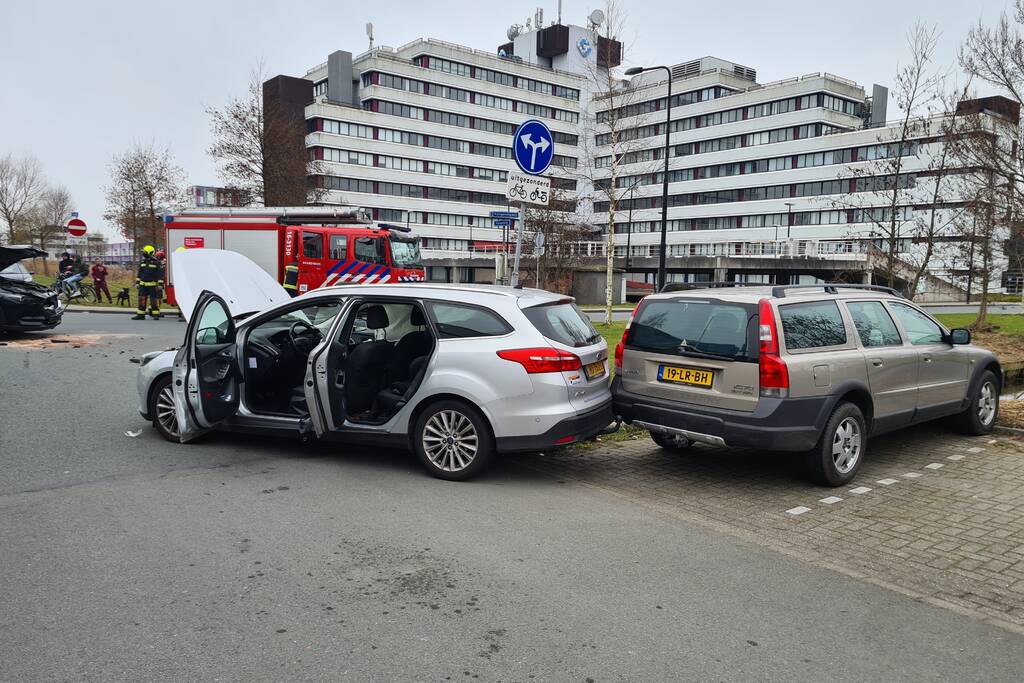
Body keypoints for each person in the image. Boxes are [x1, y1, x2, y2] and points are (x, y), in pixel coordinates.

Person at [132, 245, 165, 320]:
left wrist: (160, 284)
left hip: (153, 286)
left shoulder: (157, 262)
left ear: (149, 252)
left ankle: (155, 314)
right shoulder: (143, 262)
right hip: (142, 285)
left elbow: (160, 274)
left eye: (145, 252)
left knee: (154, 301)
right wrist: (137, 282)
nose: (144, 253)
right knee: (141, 300)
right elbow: (139, 273)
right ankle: (141, 315)